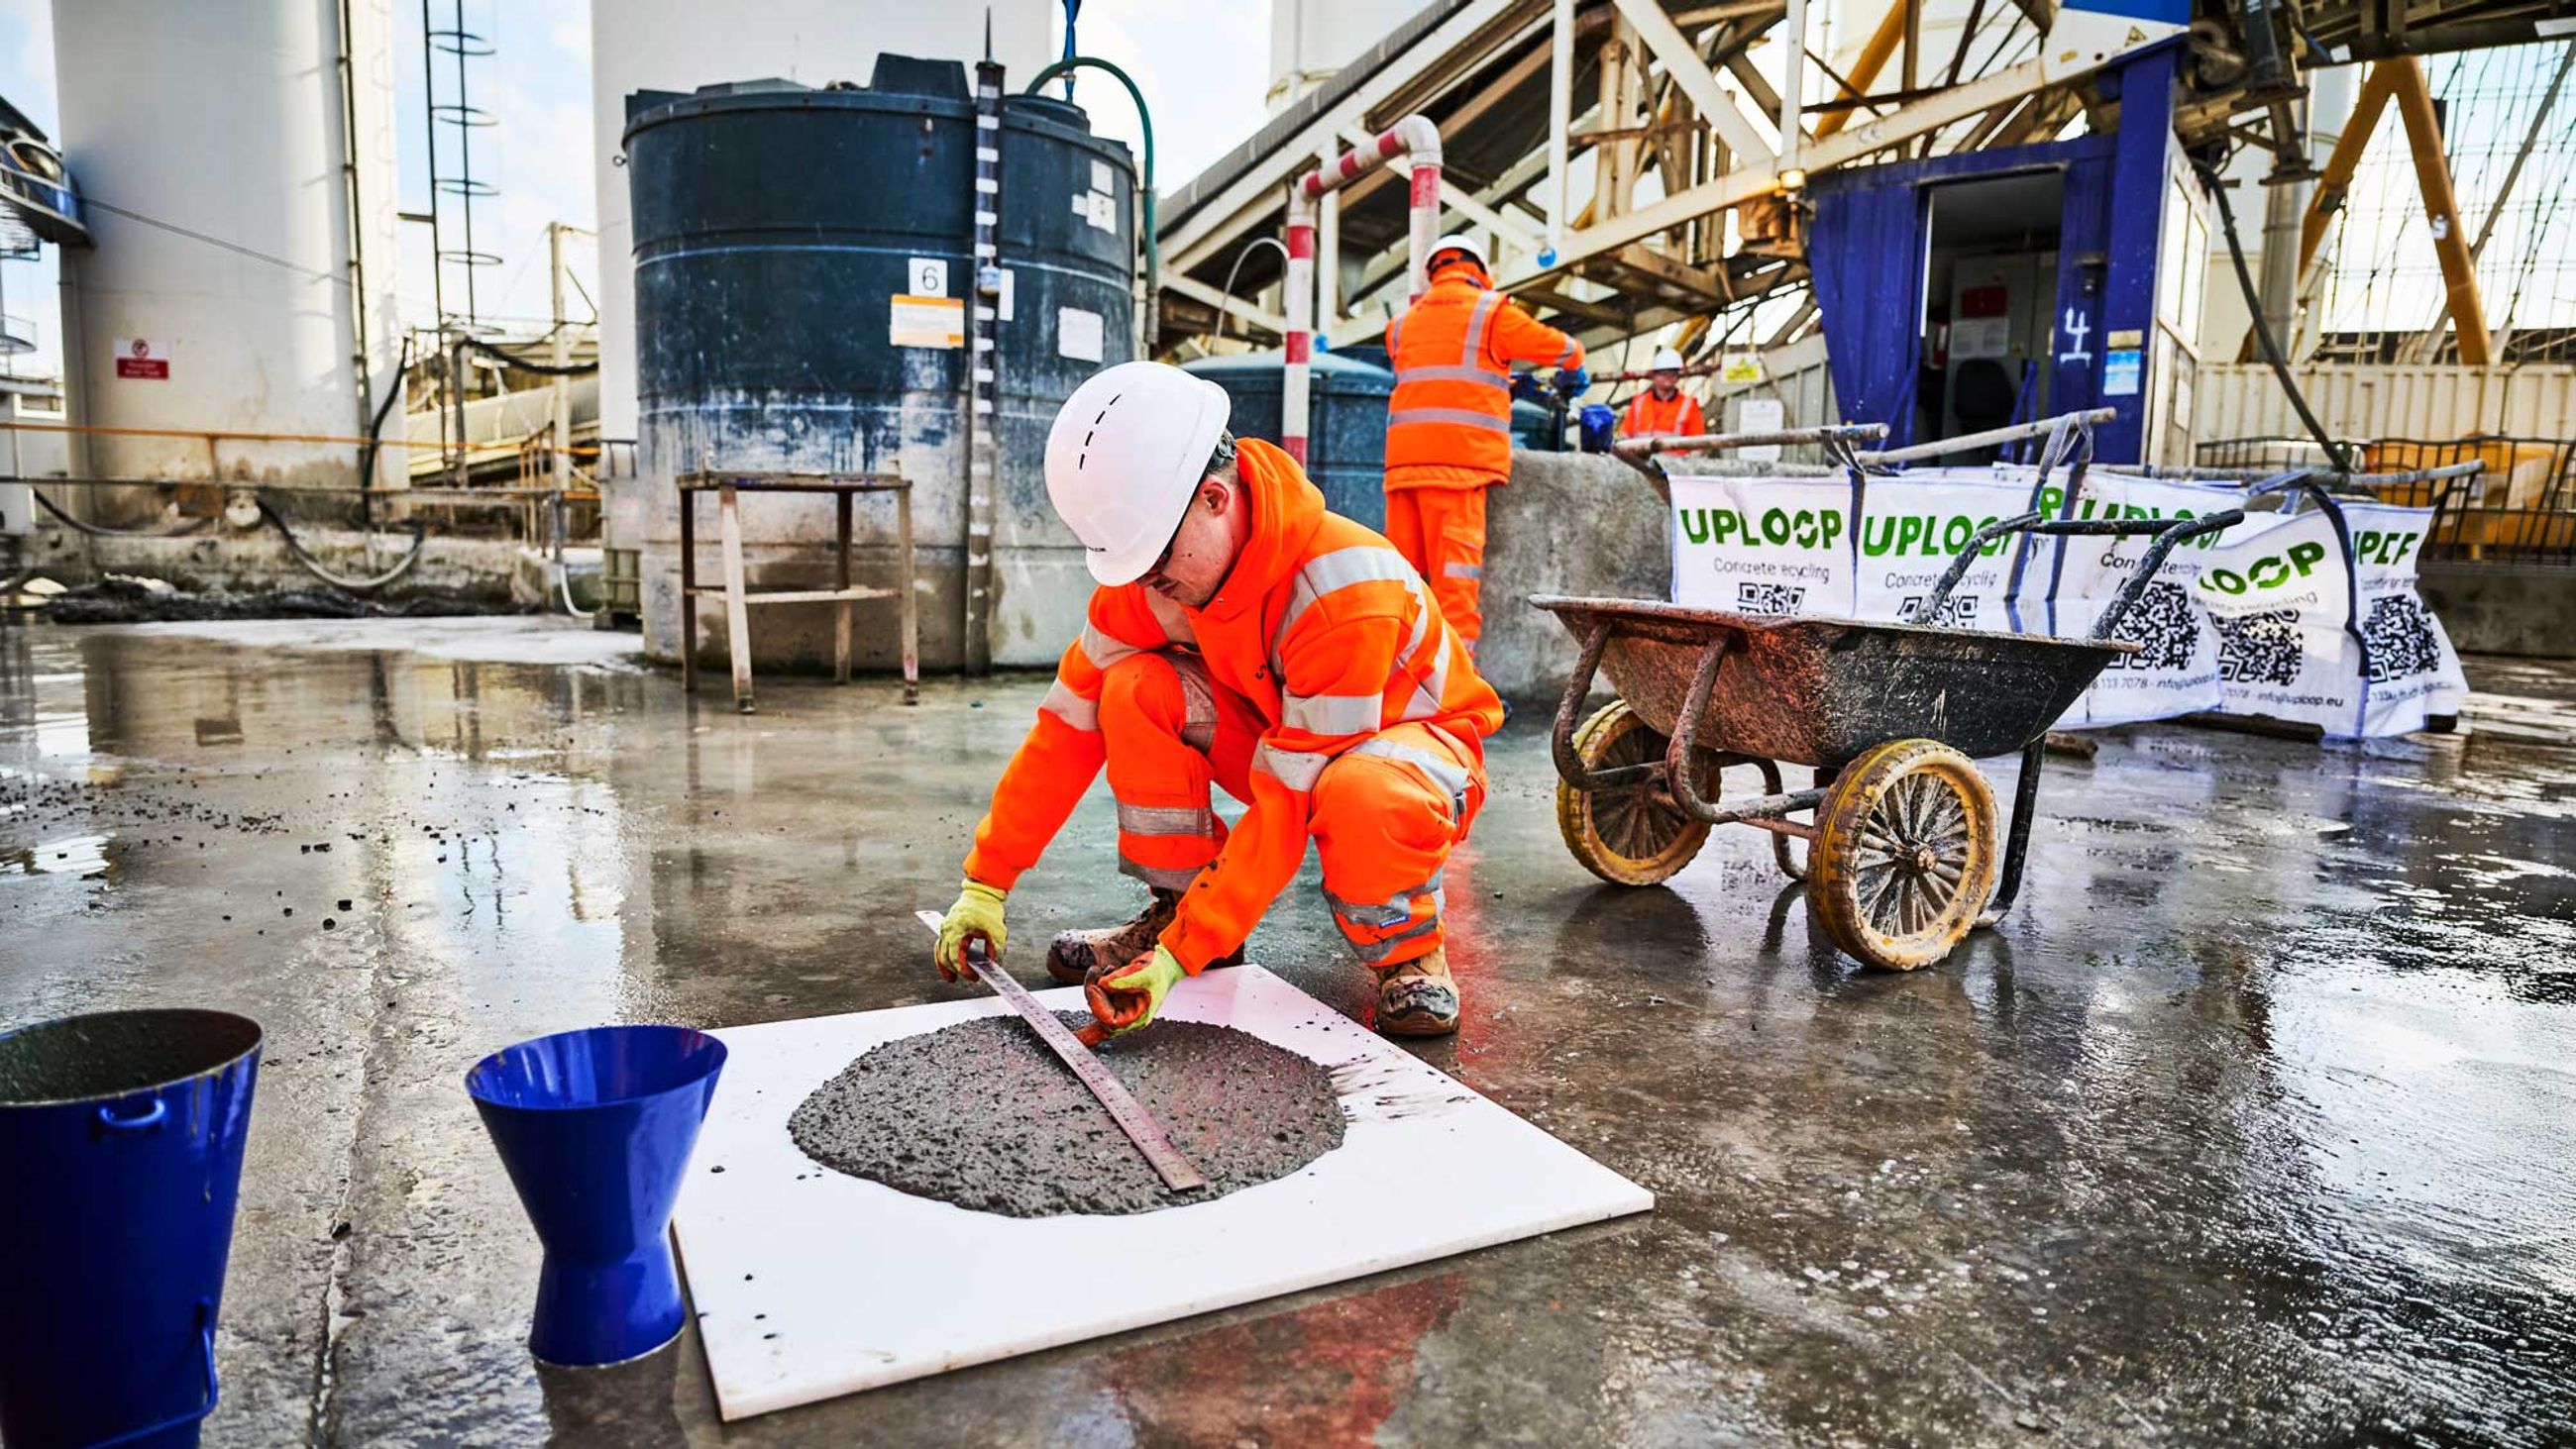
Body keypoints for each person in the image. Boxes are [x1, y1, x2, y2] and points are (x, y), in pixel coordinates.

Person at [932, 361, 1503, 1039]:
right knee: (1132, 688)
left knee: (1359, 790)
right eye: (1134, 567)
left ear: (1214, 498)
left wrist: (1182, 957)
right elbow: (1065, 729)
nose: (1147, 584)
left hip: (1413, 747)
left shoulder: (1340, 589)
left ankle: (1408, 954)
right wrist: (986, 882)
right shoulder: (1156, 580)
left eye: (1156, 561)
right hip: (1290, 736)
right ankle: (1178, 908)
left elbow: (1290, 795)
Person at [1381, 234, 1585, 659]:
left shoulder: (1400, 326)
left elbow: (1442, 378)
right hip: (1458, 467)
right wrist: (1575, 360)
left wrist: (1497, 381)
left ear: (1434, 271)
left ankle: (1393, 678)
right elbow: (1563, 350)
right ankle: (1455, 687)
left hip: (1403, 469)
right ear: (1478, 269)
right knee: (1455, 586)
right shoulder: (1491, 313)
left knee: (1400, 585)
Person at [1618, 348, 1705, 440]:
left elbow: (1697, 442)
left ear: (1677, 376)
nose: (1668, 377)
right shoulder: (1638, 403)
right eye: (1663, 373)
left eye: (1672, 373)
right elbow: (1625, 437)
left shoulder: (1689, 405)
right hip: (1639, 450)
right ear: (1654, 375)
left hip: (1675, 450)